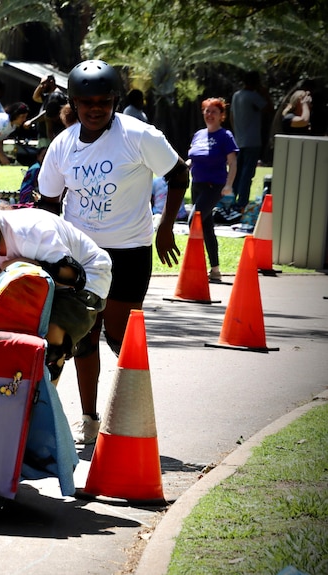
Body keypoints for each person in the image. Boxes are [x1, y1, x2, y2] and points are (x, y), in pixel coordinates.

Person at [36, 59, 189, 444]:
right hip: (81, 256)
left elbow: (178, 174)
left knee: (120, 337)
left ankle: (133, 415)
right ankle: (88, 418)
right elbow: (50, 204)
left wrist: (165, 227)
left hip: (128, 252)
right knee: (83, 337)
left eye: (104, 101)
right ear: (74, 101)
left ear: (115, 101)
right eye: (86, 102)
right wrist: (47, 251)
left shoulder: (138, 136)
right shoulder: (63, 145)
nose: (95, 109)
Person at [0, 182, 112, 382]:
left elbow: (74, 277)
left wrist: (22, 264)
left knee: (50, 349)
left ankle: (41, 402)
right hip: (38, 282)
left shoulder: (30, 233)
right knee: (6, 341)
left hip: (88, 277)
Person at [187, 97, 238, 283]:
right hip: (197, 185)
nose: (209, 115)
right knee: (207, 228)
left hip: (214, 186)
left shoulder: (225, 136)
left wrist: (228, 185)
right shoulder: (199, 135)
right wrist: (182, 167)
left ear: (221, 116)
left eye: (214, 112)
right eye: (207, 111)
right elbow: (194, 159)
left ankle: (194, 267)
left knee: (194, 221)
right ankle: (215, 270)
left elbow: (232, 162)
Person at [230, 71, 273, 212]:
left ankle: (231, 200)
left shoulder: (236, 96)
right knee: (247, 174)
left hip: (238, 139)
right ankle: (242, 203)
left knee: (236, 173)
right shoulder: (254, 97)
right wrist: (265, 93)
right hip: (253, 141)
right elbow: (269, 108)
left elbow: (231, 117)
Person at [24, 75, 68, 141]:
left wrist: (31, 121)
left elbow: (48, 112)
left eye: (44, 83)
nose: (42, 86)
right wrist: (41, 85)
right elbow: (35, 97)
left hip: (50, 136)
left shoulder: (55, 95)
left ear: (51, 82)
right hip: (45, 136)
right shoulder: (49, 95)